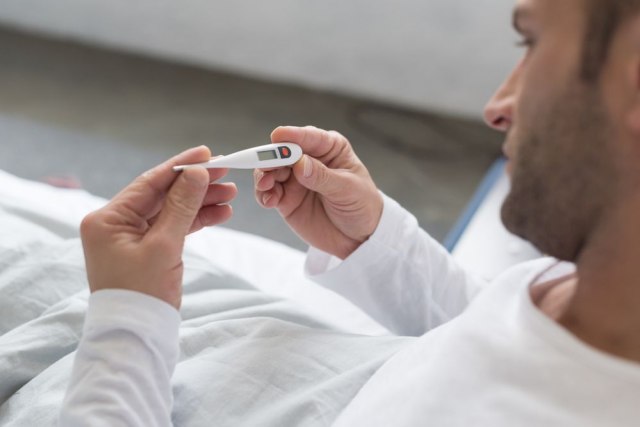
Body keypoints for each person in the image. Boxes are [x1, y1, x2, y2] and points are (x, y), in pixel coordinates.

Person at [60, 0, 640, 425]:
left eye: (530, 44)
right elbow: (501, 336)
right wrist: (374, 241)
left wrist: (127, 317)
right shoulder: (592, 290)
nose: (497, 107)